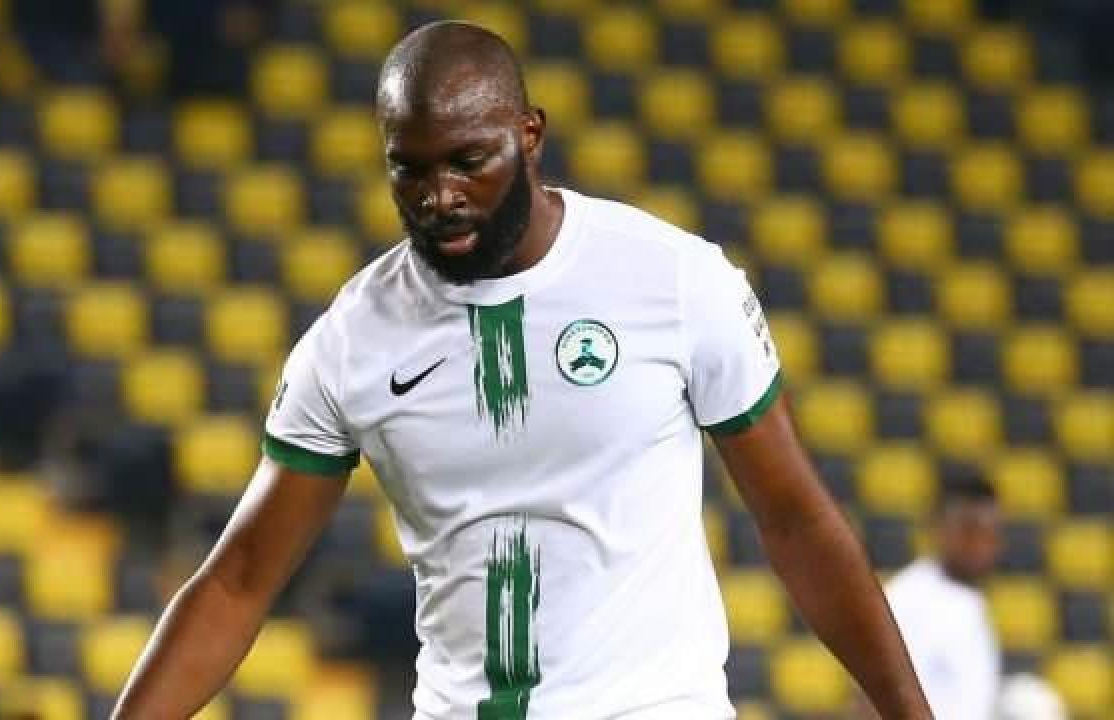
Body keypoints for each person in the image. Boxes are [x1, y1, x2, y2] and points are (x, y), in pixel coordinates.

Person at [112, 22, 932, 719]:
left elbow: (794, 520)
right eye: (409, 168)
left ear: (530, 134)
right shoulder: (353, 339)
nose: (440, 196)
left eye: (469, 160)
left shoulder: (675, 282)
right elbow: (238, 582)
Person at [860, 474, 1003, 720]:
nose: (979, 543)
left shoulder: (973, 605)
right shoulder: (907, 600)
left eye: (990, 532)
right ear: (938, 526)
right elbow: (870, 700)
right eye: (969, 529)